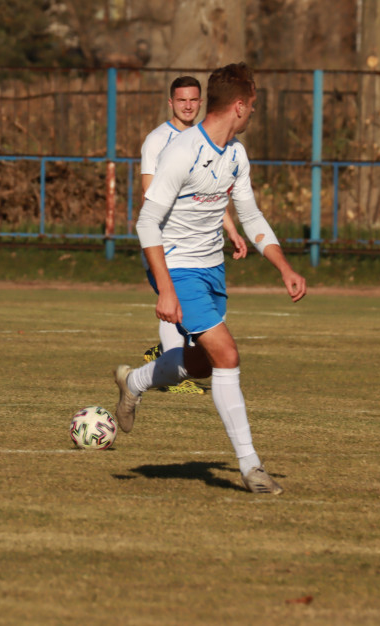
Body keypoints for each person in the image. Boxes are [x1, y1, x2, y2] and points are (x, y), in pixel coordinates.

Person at [115, 63, 306, 495]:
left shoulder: (235, 154)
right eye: (252, 105)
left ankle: (135, 381)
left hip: (210, 268)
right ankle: (251, 466)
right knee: (227, 354)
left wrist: (284, 267)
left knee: (199, 363)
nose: (253, 112)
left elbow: (251, 216)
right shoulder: (180, 151)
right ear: (239, 106)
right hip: (176, 265)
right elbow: (147, 223)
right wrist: (165, 287)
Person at [138, 77, 246, 395]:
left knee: (200, 327)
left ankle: (166, 363)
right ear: (170, 102)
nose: (187, 105)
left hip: (204, 250)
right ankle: (169, 365)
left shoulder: (208, 141)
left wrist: (231, 229)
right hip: (170, 245)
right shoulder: (157, 141)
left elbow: (206, 194)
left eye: (193, 100)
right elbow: (150, 195)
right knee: (177, 306)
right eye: (181, 100)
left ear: (201, 103)